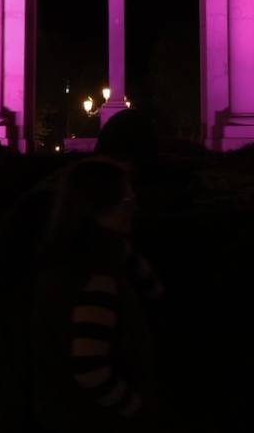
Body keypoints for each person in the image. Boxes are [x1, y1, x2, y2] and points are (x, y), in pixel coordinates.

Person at [29, 157, 163, 432]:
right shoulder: (97, 277)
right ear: (100, 207)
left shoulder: (68, 260)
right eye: (126, 200)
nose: (134, 207)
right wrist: (138, 411)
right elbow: (90, 369)